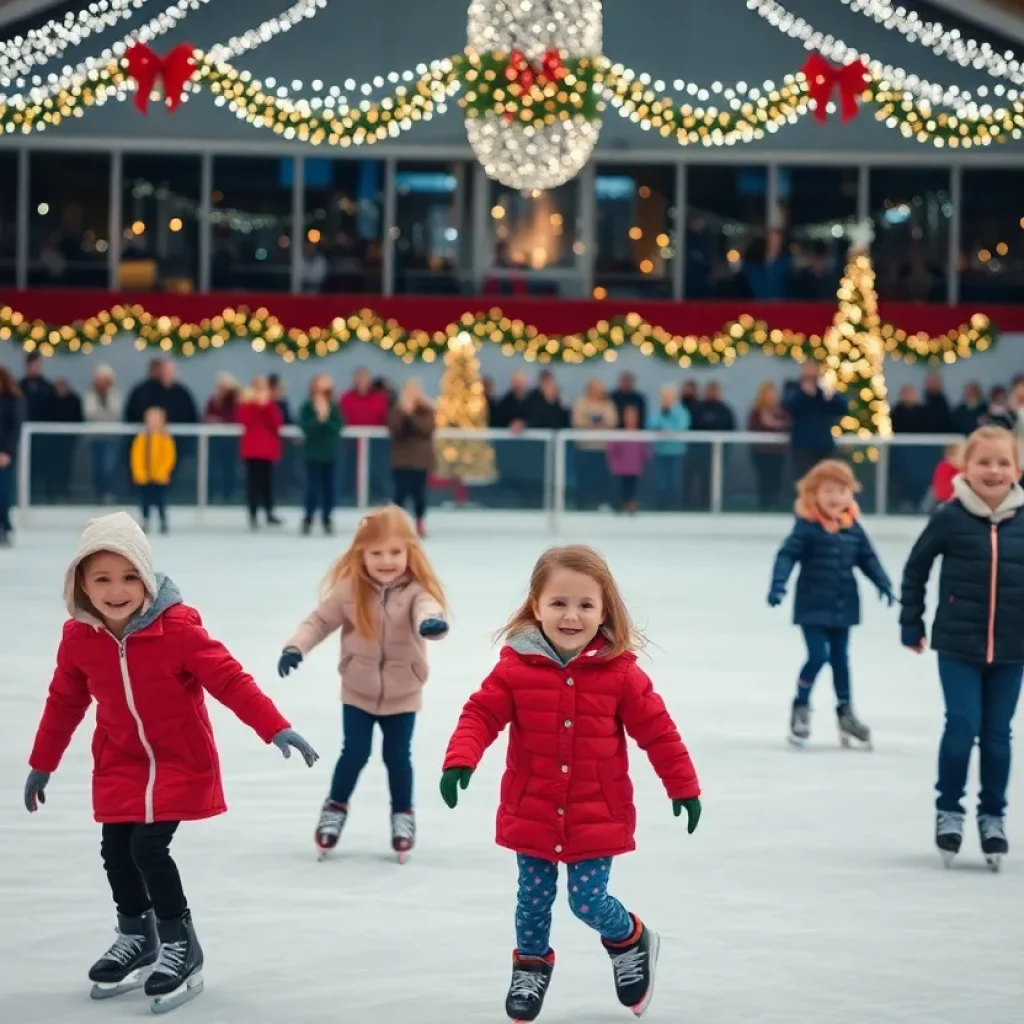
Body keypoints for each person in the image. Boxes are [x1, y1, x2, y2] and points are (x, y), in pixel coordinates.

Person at [22, 513, 318, 1012]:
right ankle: (138, 934)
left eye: (129, 576)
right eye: (102, 579)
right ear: (81, 586)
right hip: (120, 760)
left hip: (180, 760)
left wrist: (275, 726)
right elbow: (64, 702)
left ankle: (181, 944)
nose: (117, 590)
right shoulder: (79, 639)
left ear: (147, 576)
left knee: (149, 848)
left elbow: (229, 680)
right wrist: (42, 762)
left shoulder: (177, 628)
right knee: (116, 851)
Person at [439, 544, 701, 1022]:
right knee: (532, 901)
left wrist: (682, 785)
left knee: (587, 900)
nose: (571, 616)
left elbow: (658, 731)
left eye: (585, 605)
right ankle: (531, 965)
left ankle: (629, 939)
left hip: (594, 809)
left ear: (604, 610)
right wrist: (461, 759)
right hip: (534, 805)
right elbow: (481, 713)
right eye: (558, 603)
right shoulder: (515, 667)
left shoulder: (620, 672)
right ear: (536, 605)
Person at [277, 506, 448, 861]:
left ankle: (403, 814)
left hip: (403, 692)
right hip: (358, 690)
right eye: (376, 553)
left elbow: (427, 610)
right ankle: (334, 808)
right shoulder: (349, 590)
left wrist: (432, 624)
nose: (387, 560)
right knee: (354, 753)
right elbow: (319, 621)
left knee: (397, 756)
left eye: (395, 552)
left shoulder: (416, 592)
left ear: (409, 553)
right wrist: (296, 647)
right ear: (362, 554)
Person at [899, 426, 1024, 870]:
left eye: (1003, 462)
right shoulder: (950, 516)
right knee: (962, 727)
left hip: (1012, 648)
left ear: (1017, 469)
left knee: (997, 736)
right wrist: (910, 622)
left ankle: (993, 816)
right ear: (965, 468)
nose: (994, 470)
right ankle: (949, 809)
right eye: (984, 462)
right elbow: (916, 568)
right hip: (958, 644)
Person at [768, 459, 894, 749]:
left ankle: (846, 711)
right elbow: (786, 556)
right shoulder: (807, 528)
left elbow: (868, 559)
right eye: (828, 490)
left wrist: (883, 583)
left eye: (842, 490)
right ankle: (800, 706)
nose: (836, 497)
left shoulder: (853, 528)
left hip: (844, 605)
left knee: (841, 660)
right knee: (818, 655)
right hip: (812, 606)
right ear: (813, 494)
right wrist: (779, 585)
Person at [782, 363, 848, 479]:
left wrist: (829, 393)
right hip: (802, 446)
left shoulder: (825, 391)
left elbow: (842, 408)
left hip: (824, 445)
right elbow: (788, 406)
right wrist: (803, 393)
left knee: (826, 479)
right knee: (803, 480)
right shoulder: (794, 389)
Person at [388, 380, 435, 539]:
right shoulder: (397, 410)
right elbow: (395, 431)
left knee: (419, 494)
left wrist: (411, 415)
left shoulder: (427, 410)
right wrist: (403, 414)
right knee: (400, 494)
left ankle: (420, 523)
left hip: (420, 461)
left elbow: (426, 429)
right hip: (402, 461)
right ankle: (395, 525)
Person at [237, 377, 284, 530]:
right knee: (253, 483)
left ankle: (269, 512)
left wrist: (266, 406)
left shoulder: (271, 405)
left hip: (267, 451)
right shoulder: (247, 405)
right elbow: (245, 421)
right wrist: (256, 406)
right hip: (252, 451)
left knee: (267, 483)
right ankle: (253, 513)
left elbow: (276, 423)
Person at [299, 374, 342, 536]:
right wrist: (318, 420)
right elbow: (305, 428)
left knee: (330, 488)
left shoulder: (334, 407)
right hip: (313, 455)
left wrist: (326, 419)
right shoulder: (307, 407)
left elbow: (337, 427)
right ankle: (308, 517)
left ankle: (327, 517)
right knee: (312, 488)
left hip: (330, 454)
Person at [130, 407, 176, 535]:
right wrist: (139, 472)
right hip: (145, 477)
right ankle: (145, 520)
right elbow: (136, 456)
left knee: (160, 500)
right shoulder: (142, 437)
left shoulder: (165, 438)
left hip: (160, 477)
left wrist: (164, 471)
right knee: (145, 500)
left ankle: (163, 521)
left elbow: (169, 457)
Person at [646, 384, 690, 510]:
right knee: (661, 480)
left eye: (669, 396)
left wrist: (666, 427)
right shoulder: (658, 411)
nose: (666, 399)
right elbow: (651, 424)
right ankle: (660, 505)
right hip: (660, 451)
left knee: (674, 480)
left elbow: (681, 427)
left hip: (676, 452)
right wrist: (664, 424)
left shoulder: (681, 412)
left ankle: (674, 505)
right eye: (664, 396)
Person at [605, 405, 651, 513]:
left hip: (634, 469)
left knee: (632, 489)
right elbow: (611, 451)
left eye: (633, 416)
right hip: (620, 469)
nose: (631, 419)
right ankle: (620, 507)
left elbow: (645, 452)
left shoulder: (641, 435)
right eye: (628, 416)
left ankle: (631, 506)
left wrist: (641, 463)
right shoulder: (618, 434)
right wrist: (614, 464)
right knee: (620, 489)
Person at [0, 365, 22, 547]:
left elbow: (14, 429)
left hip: (3, 456)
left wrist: (7, 452)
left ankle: (5, 527)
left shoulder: (11, 400)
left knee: (3, 494)